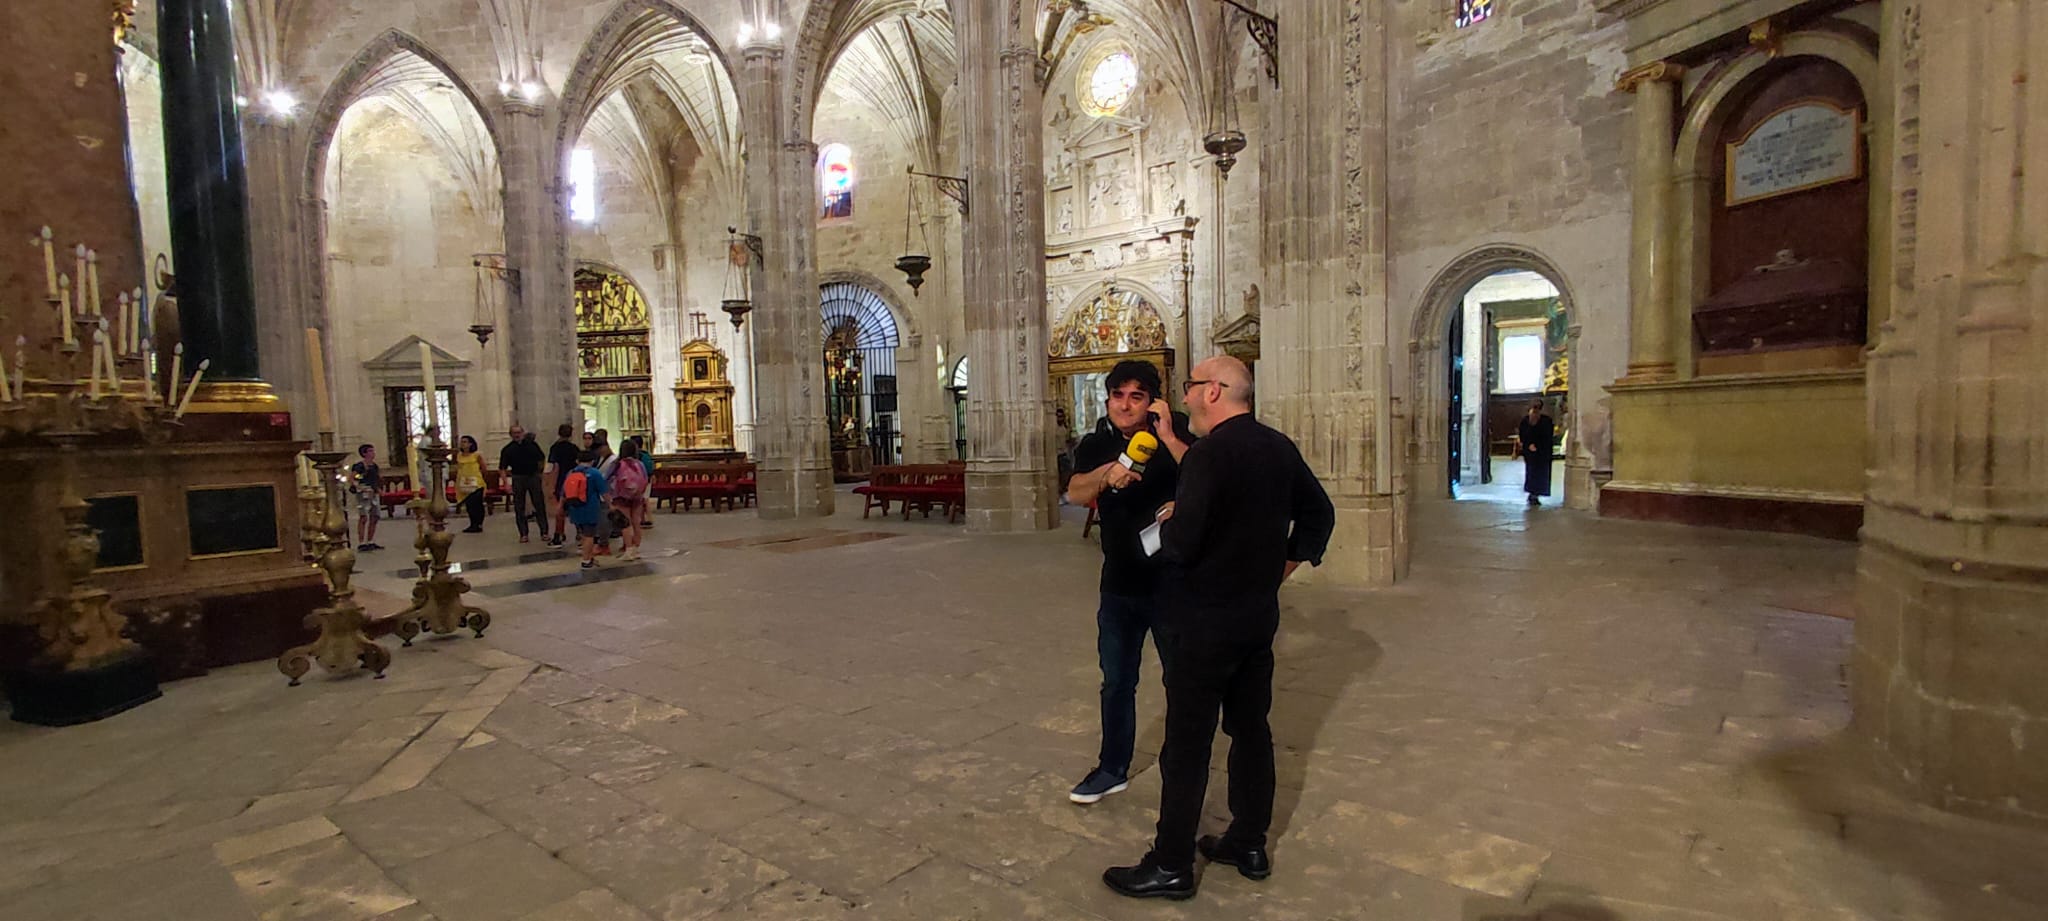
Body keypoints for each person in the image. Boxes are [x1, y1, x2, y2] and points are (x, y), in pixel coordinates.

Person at [1103, 355, 1335, 902]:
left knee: (1186, 743)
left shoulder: (1210, 455)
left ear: (1214, 392)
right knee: (1251, 731)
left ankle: (1171, 863)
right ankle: (1248, 841)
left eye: (1189, 388)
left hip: (1202, 623)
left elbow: (1183, 544)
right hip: (1255, 619)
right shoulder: (1277, 446)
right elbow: (1319, 515)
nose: (1182, 399)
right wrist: (1278, 569)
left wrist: (1169, 521)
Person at [1063, 360, 1188, 805]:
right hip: (1118, 583)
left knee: (1182, 678)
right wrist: (1109, 473)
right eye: (1118, 395)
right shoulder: (1097, 442)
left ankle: (1183, 762)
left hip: (1173, 581)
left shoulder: (1179, 430)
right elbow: (1075, 492)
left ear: (1153, 400)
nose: (1125, 404)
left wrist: (1170, 442)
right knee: (1117, 680)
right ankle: (1112, 767)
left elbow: (1207, 474)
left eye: (1137, 396)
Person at [500, 426, 549, 543]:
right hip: (518, 477)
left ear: (522, 433)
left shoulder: (532, 445)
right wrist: (506, 483)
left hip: (533, 476)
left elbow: (541, 458)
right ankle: (523, 533)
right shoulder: (508, 449)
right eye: (514, 433)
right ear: (510, 435)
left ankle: (544, 532)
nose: (517, 435)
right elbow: (502, 468)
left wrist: (540, 472)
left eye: (519, 432)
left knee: (539, 504)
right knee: (519, 506)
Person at [563, 448, 610, 569]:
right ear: (593, 461)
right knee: (590, 535)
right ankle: (586, 560)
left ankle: (589, 556)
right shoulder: (595, 473)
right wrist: (611, 504)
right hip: (590, 507)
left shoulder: (571, 473)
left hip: (574, 507)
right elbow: (603, 492)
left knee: (583, 534)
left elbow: (564, 491)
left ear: (577, 461)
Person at [610, 437, 649, 561]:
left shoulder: (617, 464)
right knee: (636, 522)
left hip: (621, 496)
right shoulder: (640, 464)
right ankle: (636, 549)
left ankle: (628, 549)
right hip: (637, 496)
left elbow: (606, 478)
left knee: (625, 523)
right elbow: (645, 479)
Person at [1514, 399, 1555, 508]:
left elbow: (1548, 436)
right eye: (1534, 407)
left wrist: (1538, 445)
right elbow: (1523, 434)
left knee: (1541, 474)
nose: (1535, 410)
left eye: (1537, 407)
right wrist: (1528, 444)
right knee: (1531, 473)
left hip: (1542, 453)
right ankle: (1532, 493)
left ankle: (1536, 494)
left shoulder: (1546, 420)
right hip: (1531, 453)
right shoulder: (1525, 420)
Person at [547, 424, 580, 547]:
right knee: (576, 506)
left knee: (560, 509)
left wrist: (550, 484)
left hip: (561, 481)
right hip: (574, 480)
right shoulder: (574, 448)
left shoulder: (555, 448)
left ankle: (558, 535)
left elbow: (554, 467)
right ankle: (579, 532)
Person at [348, 443, 384, 551]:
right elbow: (352, 478)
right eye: (370, 451)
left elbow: (375, 480)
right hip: (363, 492)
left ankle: (370, 540)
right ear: (364, 453)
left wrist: (378, 489)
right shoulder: (359, 466)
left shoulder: (374, 466)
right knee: (363, 517)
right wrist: (359, 486)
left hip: (373, 492)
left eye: (373, 451)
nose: (373, 453)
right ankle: (361, 542)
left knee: (375, 516)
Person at [454, 435, 487, 533]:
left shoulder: (476, 455)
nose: (463, 444)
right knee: (469, 505)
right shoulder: (459, 455)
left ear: (470, 444)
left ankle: (479, 524)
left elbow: (483, 468)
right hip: (464, 482)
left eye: (465, 442)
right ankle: (472, 524)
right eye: (462, 442)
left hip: (476, 482)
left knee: (477, 504)